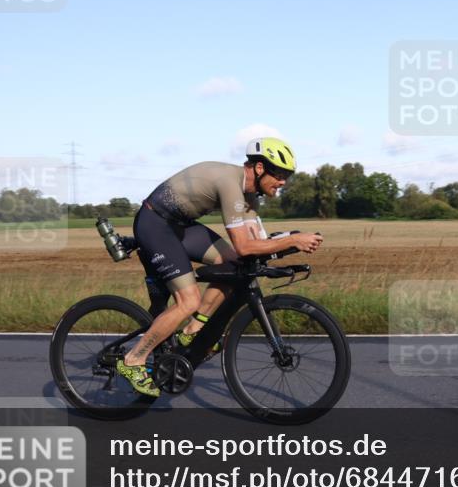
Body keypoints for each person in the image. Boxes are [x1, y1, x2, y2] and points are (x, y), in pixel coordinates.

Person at [116, 137, 323, 397]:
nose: (283, 182)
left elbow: (255, 245)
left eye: (287, 177)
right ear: (259, 168)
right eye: (279, 175)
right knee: (188, 301)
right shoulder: (230, 184)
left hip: (180, 225)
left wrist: (288, 242)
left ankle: (193, 330)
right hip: (155, 223)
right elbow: (244, 246)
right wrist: (293, 240)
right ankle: (133, 360)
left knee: (235, 264)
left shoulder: (250, 197)